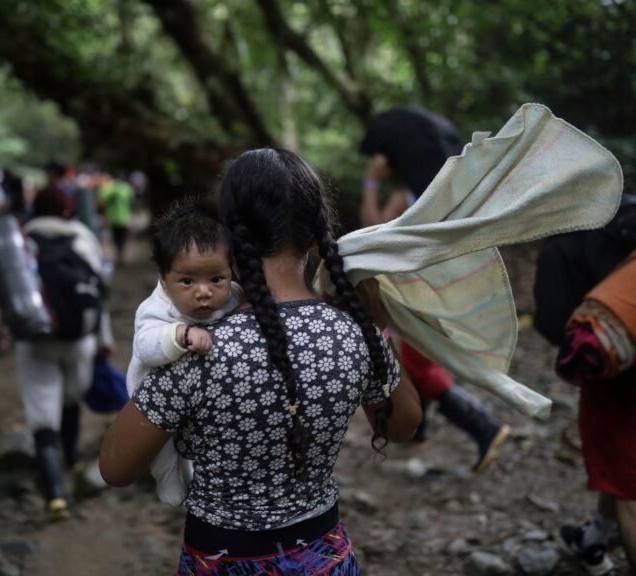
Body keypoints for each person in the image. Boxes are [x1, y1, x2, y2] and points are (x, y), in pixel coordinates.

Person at [101, 148, 422, 574]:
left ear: (229, 238)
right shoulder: (352, 332)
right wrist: (375, 327)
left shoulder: (197, 347)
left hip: (222, 561)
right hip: (323, 559)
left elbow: (116, 467)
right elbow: (403, 426)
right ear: (314, 237)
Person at [359, 106, 511, 473]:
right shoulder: (417, 193)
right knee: (415, 357)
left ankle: (485, 428)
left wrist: (369, 182)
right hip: (420, 289)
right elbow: (376, 230)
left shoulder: (429, 197)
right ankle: (418, 433)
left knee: (419, 364)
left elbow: (374, 231)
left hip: (428, 289)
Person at [534, 198, 636, 575]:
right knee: (621, 466)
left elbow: (550, 323)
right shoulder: (624, 212)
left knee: (629, 492)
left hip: (616, 377)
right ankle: (596, 538)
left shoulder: (560, 247)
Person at [127, 197, 244, 506]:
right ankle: (169, 484)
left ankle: (195, 479)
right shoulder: (156, 309)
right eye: (188, 281)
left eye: (216, 279)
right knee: (164, 451)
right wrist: (180, 334)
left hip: (203, 401)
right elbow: (145, 347)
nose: (204, 292)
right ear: (164, 280)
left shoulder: (233, 296)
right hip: (155, 397)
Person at [18, 185, 114, 522]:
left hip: (35, 340)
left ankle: (54, 494)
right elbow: (98, 292)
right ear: (68, 209)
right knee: (72, 398)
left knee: (41, 411)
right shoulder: (82, 237)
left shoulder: (22, 241)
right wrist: (104, 338)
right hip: (79, 338)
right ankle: (72, 457)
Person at [98, 172, 133, 264]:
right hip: (123, 217)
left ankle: (119, 254)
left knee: (116, 237)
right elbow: (130, 198)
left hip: (113, 218)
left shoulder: (110, 187)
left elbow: (102, 198)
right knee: (122, 237)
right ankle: (121, 254)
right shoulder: (126, 187)